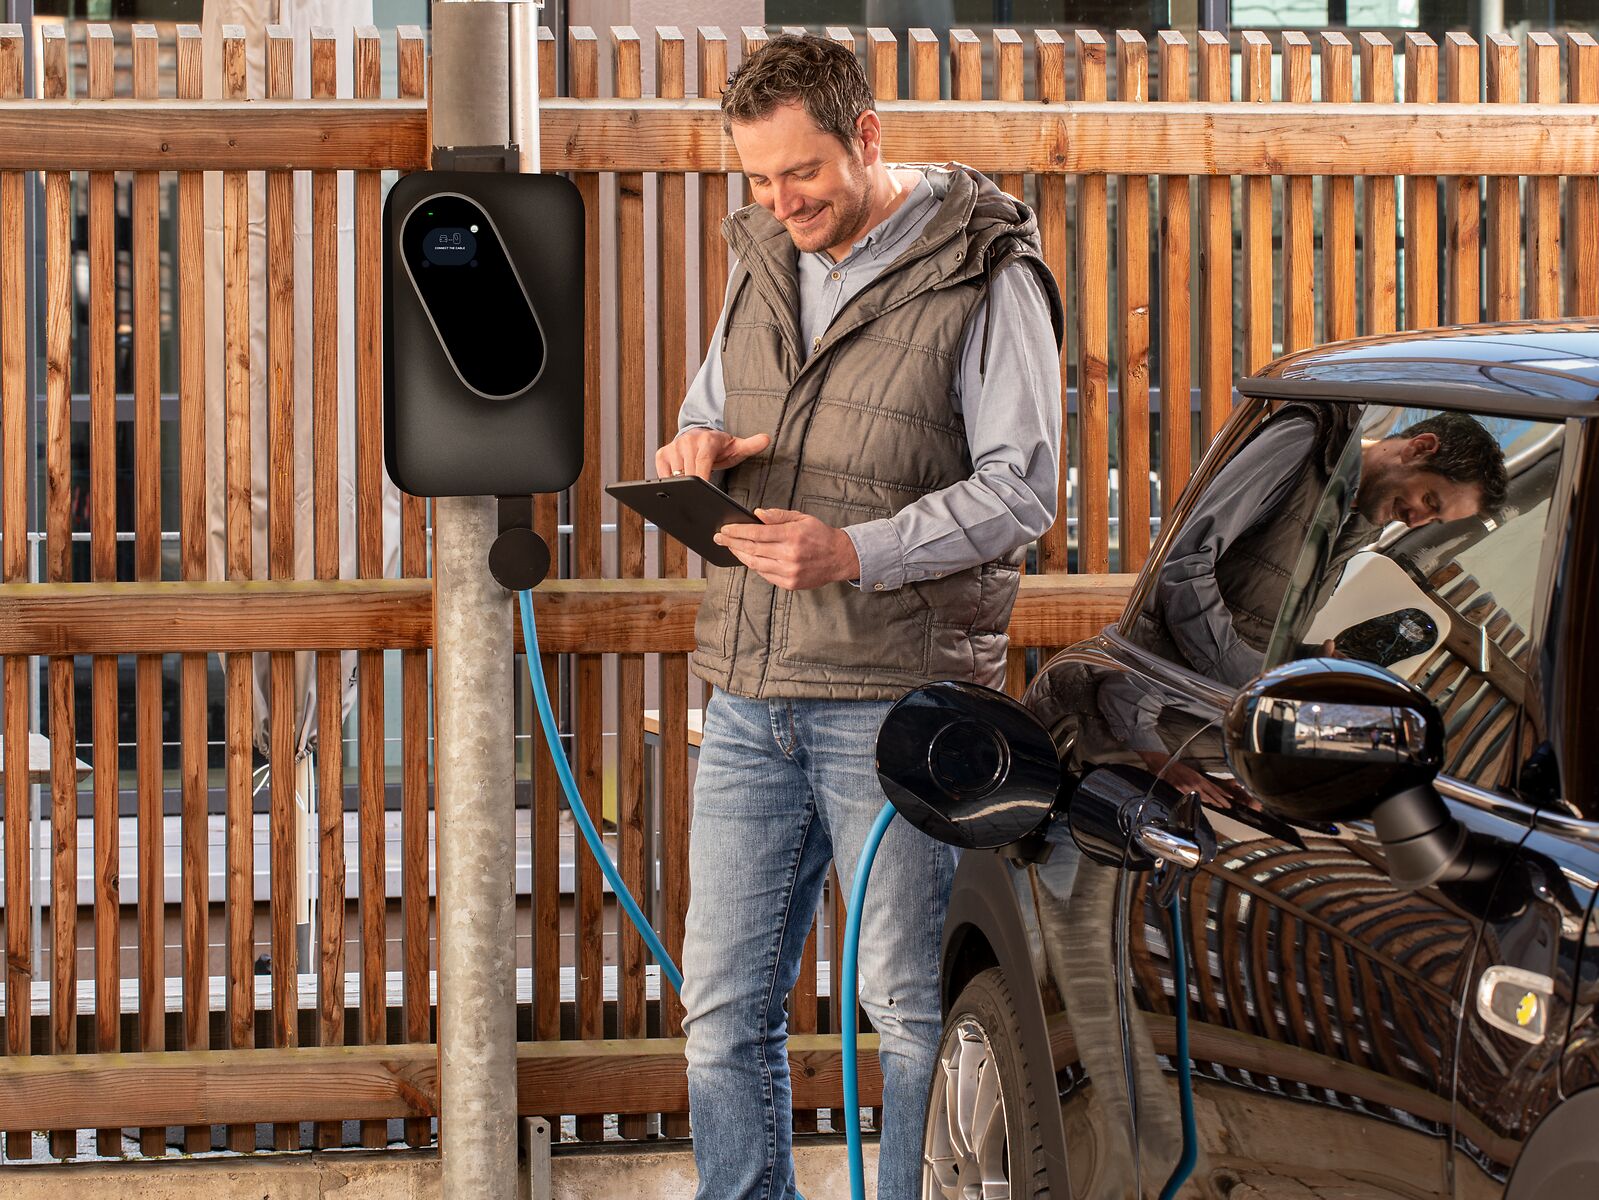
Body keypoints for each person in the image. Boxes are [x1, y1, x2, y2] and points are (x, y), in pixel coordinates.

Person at [651, 33, 1063, 1200]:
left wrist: (858, 551)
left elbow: (1022, 488)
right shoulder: (762, 257)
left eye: (804, 176)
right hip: (749, 694)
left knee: (909, 1008)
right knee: (721, 1010)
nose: (783, 204)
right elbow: (714, 401)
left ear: (866, 138)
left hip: (895, 699)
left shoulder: (984, 273)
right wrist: (701, 443)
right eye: (760, 182)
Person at [1131, 404, 1509, 691]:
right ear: (1419, 449)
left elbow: (1252, 615)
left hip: (1208, 718)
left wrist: (1305, 660)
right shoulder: (1306, 441)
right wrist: (1249, 681)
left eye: (1434, 520)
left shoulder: (1360, 523)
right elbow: (1183, 562)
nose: (1416, 522)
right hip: (1150, 699)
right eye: (1429, 500)